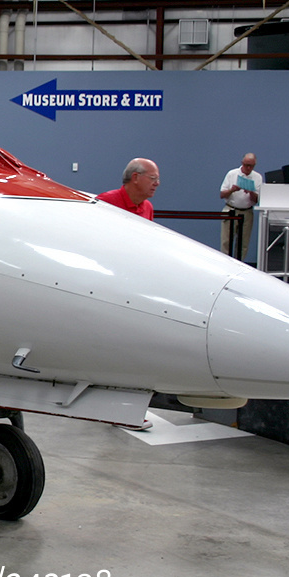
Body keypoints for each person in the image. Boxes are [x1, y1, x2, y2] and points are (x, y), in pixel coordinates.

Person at [97, 158, 159, 431]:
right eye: (152, 178)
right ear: (135, 177)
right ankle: (116, 410)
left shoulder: (147, 207)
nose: (157, 183)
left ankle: (123, 410)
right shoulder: (105, 202)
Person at [219, 153, 262, 261]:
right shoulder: (232, 174)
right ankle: (225, 264)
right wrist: (232, 190)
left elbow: (257, 200)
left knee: (243, 243)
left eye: (251, 166)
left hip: (247, 212)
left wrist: (251, 192)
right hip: (231, 209)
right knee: (226, 241)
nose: (248, 168)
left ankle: (240, 264)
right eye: (246, 165)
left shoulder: (257, 177)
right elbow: (222, 195)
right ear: (242, 163)